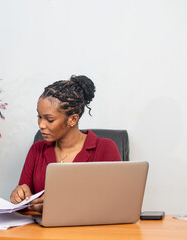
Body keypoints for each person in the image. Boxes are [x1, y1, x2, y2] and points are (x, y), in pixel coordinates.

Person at [10, 75, 121, 212]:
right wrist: (19, 197)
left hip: (90, 232)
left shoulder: (105, 149)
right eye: (39, 117)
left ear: (73, 119)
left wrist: (58, 207)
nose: (41, 125)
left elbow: (115, 203)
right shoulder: (37, 149)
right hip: (42, 231)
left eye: (49, 120)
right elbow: (24, 205)